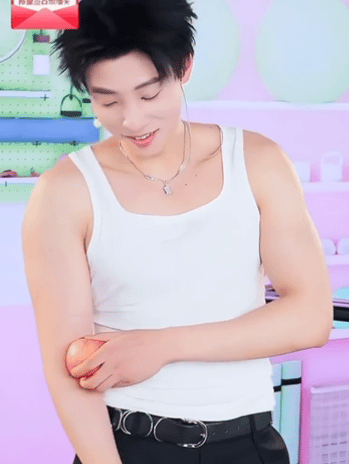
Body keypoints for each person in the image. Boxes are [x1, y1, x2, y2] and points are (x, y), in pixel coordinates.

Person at [21, 1, 333, 463]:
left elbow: (312, 317)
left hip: (249, 444)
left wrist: (162, 346)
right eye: (108, 101)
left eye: (149, 95)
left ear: (184, 67)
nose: (132, 120)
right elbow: (68, 368)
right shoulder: (64, 192)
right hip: (127, 444)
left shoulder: (258, 162)